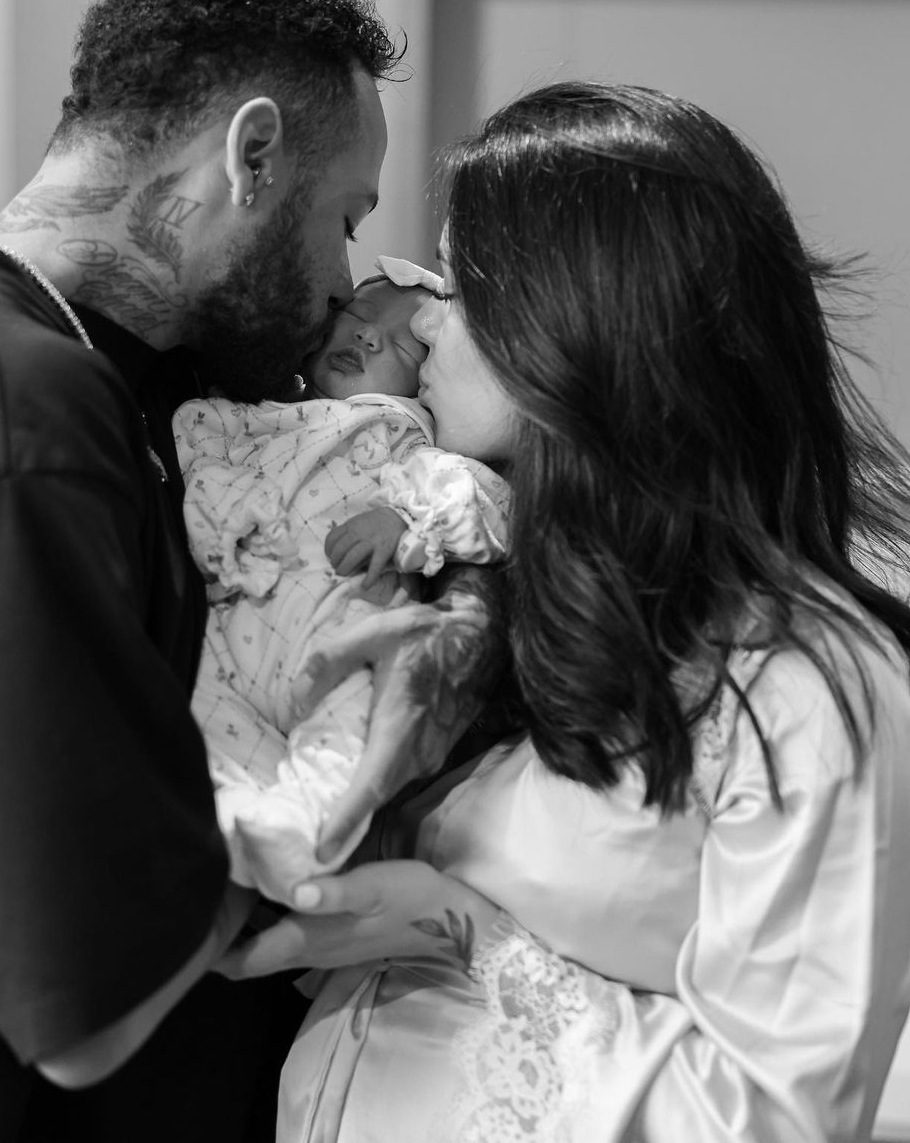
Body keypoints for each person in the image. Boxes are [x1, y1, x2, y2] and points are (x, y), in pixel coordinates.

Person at [217, 81, 910, 1143]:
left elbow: (774, 1118)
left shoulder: (810, 688)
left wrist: (455, 931)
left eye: (457, 286)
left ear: (578, 326)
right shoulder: (506, 577)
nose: (423, 319)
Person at [0, 0, 414, 1143]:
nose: (341, 278)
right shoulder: (9, 415)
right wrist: (361, 843)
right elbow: (81, 993)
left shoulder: (122, 362)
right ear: (253, 154)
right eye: (345, 218)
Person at [173, 258, 509, 904]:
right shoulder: (263, 413)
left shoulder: (408, 436)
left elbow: (485, 499)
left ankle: (301, 839)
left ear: (426, 381)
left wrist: (407, 521)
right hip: (235, 616)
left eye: (406, 345)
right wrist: (223, 504)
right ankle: (218, 848)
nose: (369, 336)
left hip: (343, 629)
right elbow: (195, 429)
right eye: (357, 314)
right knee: (204, 733)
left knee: (343, 740)